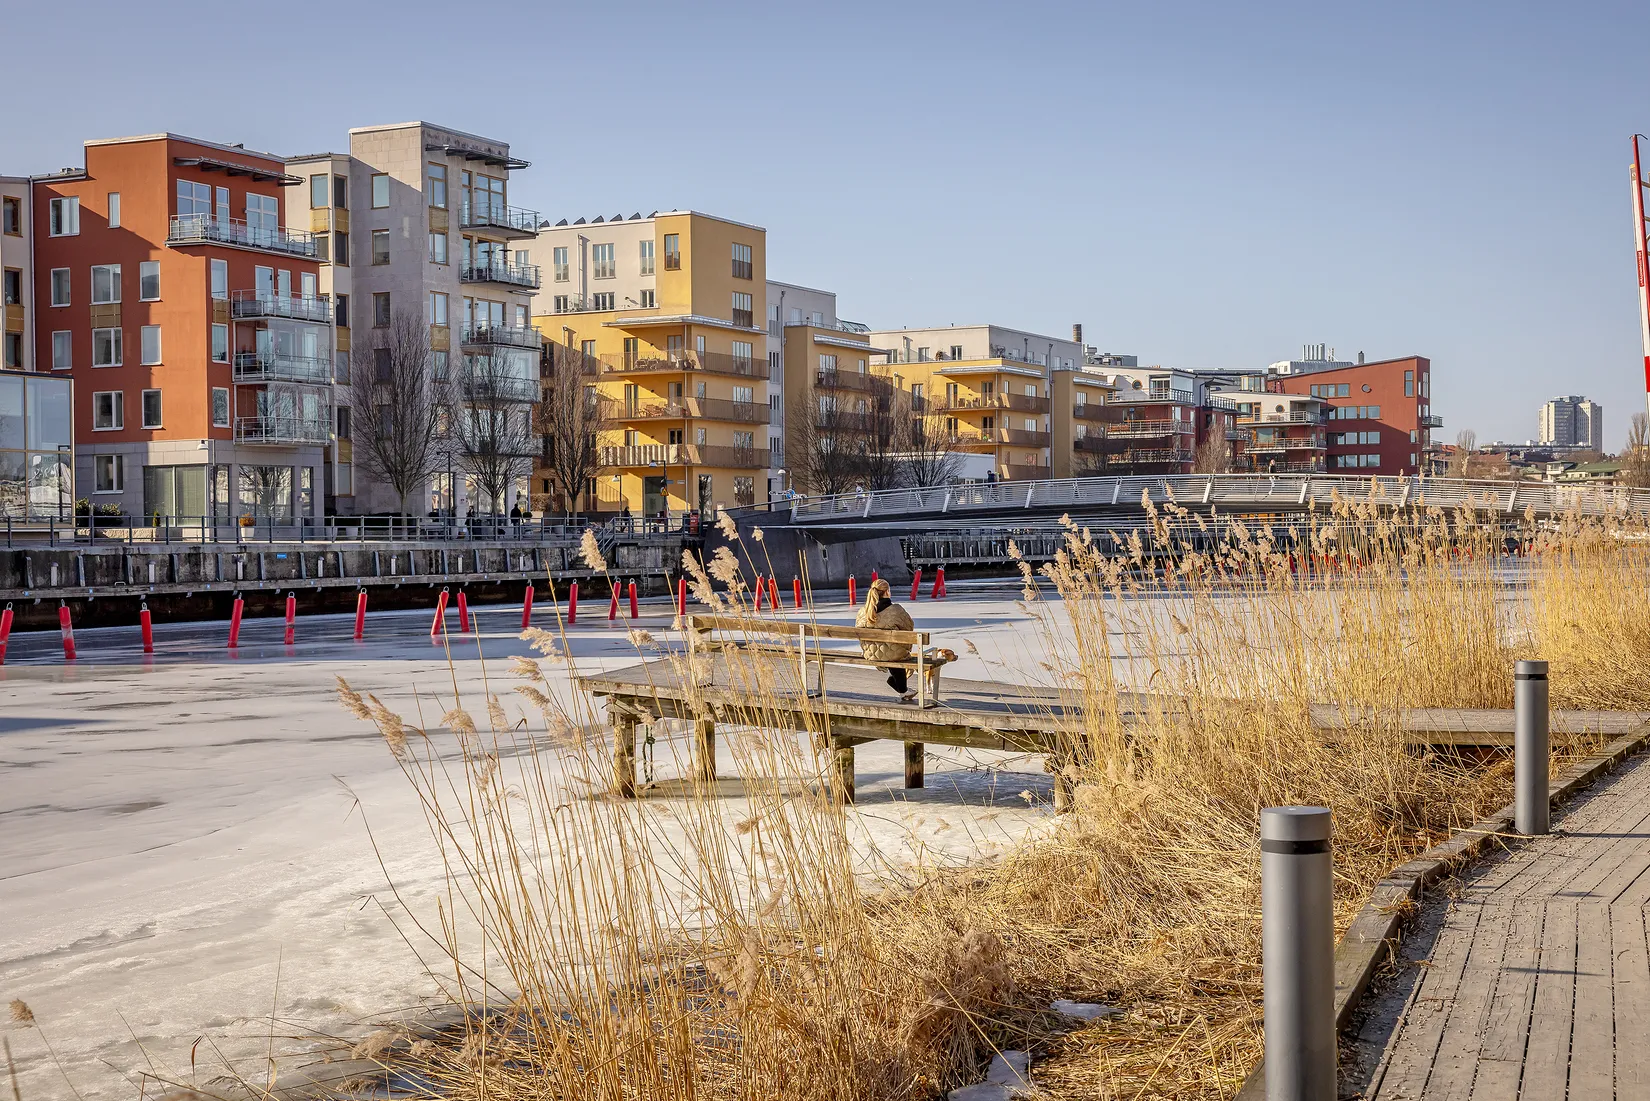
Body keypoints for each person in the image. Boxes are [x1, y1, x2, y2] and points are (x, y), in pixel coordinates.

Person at [856, 578, 917, 703]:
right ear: (887, 592)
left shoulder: (863, 611)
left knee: (888, 649)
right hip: (893, 654)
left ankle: (902, 689)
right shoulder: (896, 610)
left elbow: (858, 632)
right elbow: (909, 627)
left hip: (870, 653)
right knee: (894, 650)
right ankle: (902, 689)